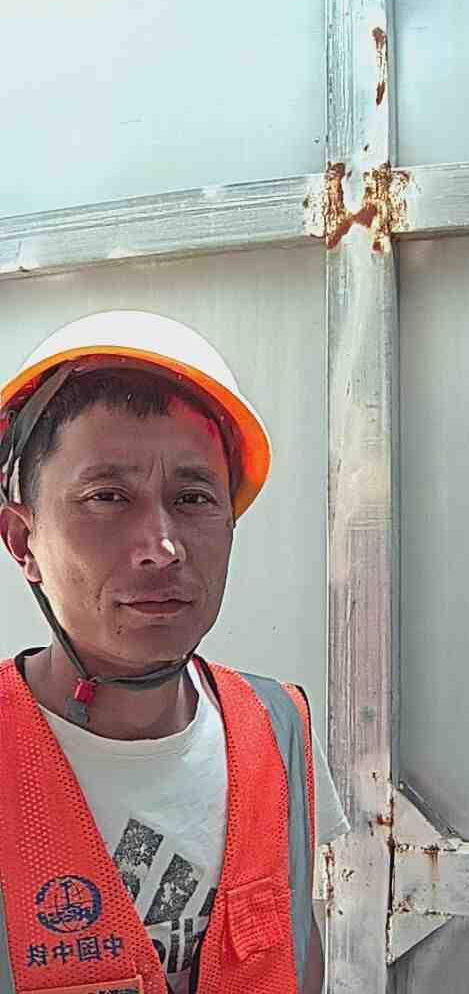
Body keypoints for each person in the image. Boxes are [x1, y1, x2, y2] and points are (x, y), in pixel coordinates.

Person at [0, 310, 348, 994]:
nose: (162, 547)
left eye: (193, 497)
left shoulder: (279, 727)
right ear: (21, 540)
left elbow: (297, 954)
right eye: (108, 497)